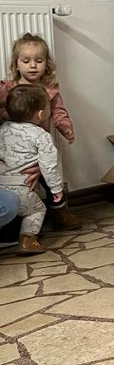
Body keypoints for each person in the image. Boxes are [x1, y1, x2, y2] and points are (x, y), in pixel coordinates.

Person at [0, 33, 80, 230]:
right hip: (13, 149)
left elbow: (59, 112)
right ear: (16, 64)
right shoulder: (8, 88)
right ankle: (18, 218)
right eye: (26, 61)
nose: (33, 65)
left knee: (50, 174)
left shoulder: (49, 90)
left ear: (47, 63)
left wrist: (66, 128)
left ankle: (59, 210)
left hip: (38, 147)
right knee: (16, 180)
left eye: (38, 60)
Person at [0, 84, 64, 255]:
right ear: (41, 114)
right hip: (23, 189)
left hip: (2, 186)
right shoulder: (41, 136)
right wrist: (56, 189)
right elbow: (49, 165)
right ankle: (28, 239)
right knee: (37, 209)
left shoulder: (3, 130)